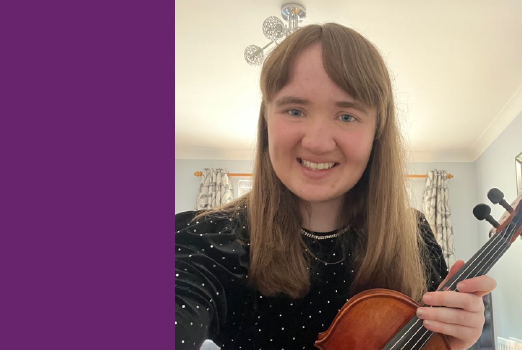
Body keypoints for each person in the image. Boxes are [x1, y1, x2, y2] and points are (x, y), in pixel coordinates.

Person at [175, 23, 496, 350]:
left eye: (346, 116)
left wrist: (452, 342)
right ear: (267, 121)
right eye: (295, 110)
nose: (316, 142)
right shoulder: (207, 240)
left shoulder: (415, 235)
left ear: (376, 132)